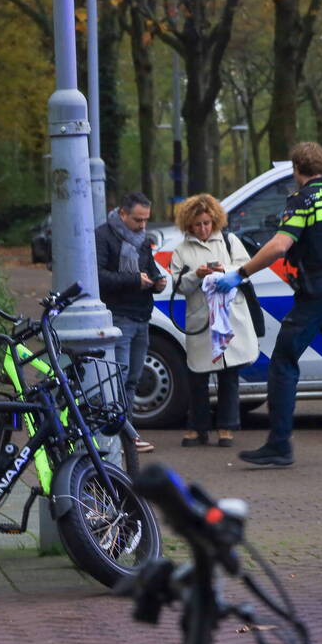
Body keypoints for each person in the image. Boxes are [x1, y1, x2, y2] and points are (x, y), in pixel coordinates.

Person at [214, 142, 322, 467]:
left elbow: (280, 245)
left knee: (284, 361)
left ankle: (279, 445)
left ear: (297, 170)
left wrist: (240, 274)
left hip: (316, 290)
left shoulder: (303, 199)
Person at [170, 194, 259, 448]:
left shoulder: (230, 242)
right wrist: (196, 276)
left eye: (207, 223)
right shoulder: (181, 250)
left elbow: (246, 271)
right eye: (198, 224)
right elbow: (179, 286)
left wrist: (225, 272)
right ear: (189, 225)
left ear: (215, 220)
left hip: (229, 316)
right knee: (197, 374)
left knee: (229, 373)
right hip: (201, 318)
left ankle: (226, 427)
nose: (203, 229)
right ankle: (197, 427)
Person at [96, 191, 166, 453]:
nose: (143, 225)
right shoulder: (103, 236)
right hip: (119, 316)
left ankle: (127, 433)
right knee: (120, 377)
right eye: (138, 220)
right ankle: (121, 435)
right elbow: (99, 276)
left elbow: (150, 266)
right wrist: (134, 280)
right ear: (122, 214)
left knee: (132, 379)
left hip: (141, 316)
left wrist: (158, 282)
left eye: (146, 220)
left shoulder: (142, 239)